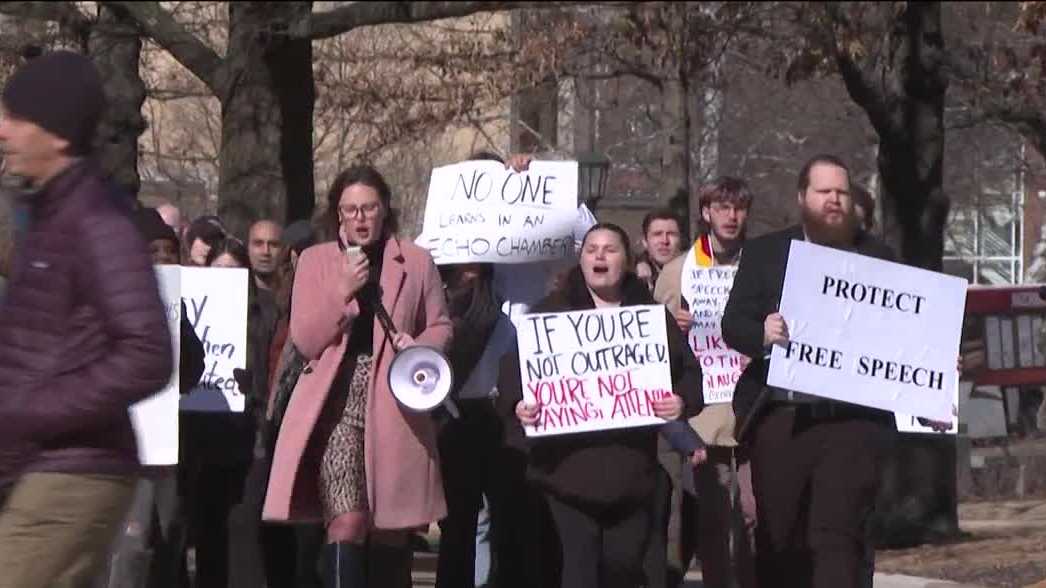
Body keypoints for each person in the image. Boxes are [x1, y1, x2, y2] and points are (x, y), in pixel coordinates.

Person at [0, 51, 173, 587]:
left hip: (74, 471)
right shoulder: (46, 217)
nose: (2, 130)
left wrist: (34, 407)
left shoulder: (96, 221)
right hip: (35, 463)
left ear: (54, 132)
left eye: (15, 117)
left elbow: (148, 352)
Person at [263, 165, 452, 587]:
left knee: (389, 529)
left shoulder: (416, 261)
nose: (360, 218)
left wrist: (420, 346)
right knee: (346, 521)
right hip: (335, 403)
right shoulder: (315, 261)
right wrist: (341, 291)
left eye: (368, 208)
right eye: (350, 210)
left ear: (385, 210)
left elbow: (441, 325)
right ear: (338, 215)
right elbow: (307, 338)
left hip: (396, 402)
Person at [497, 223, 706, 588]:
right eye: (591, 248)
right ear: (580, 260)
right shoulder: (548, 316)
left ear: (626, 261)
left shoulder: (651, 318)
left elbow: (689, 374)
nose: (599, 255)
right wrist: (519, 406)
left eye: (609, 249)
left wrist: (681, 401)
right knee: (577, 574)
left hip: (631, 477)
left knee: (623, 569)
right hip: (564, 476)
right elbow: (513, 375)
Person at [721, 154, 897, 588]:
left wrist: (930, 363)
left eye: (841, 191)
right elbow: (733, 324)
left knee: (836, 534)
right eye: (824, 191)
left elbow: (907, 330)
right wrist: (762, 332)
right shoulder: (766, 252)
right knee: (780, 536)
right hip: (783, 416)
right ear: (802, 198)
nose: (834, 200)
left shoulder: (879, 257)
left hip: (852, 420)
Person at [654, 177, 758, 588]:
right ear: (706, 213)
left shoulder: (763, 266)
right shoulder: (678, 272)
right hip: (703, 415)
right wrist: (672, 328)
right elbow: (654, 350)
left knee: (753, 514)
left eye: (739, 208)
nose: (731, 216)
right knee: (712, 522)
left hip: (752, 409)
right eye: (722, 207)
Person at [434, 261, 516, 588]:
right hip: (449, 418)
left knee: (501, 517)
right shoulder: (435, 312)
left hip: (495, 415)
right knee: (457, 521)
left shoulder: (499, 318)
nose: (468, 271)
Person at [635, 210, 685, 292]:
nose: (664, 241)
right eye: (657, 234)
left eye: (671, 234)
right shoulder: (634, 275)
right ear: (644, 241)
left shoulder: (694, 272)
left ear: (681, 240)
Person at [248, 219, 284, 292]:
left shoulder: (294, 294)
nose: (266, 252)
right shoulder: (236, 293)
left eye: (273, 244)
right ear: (248, 248)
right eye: (258, 243)